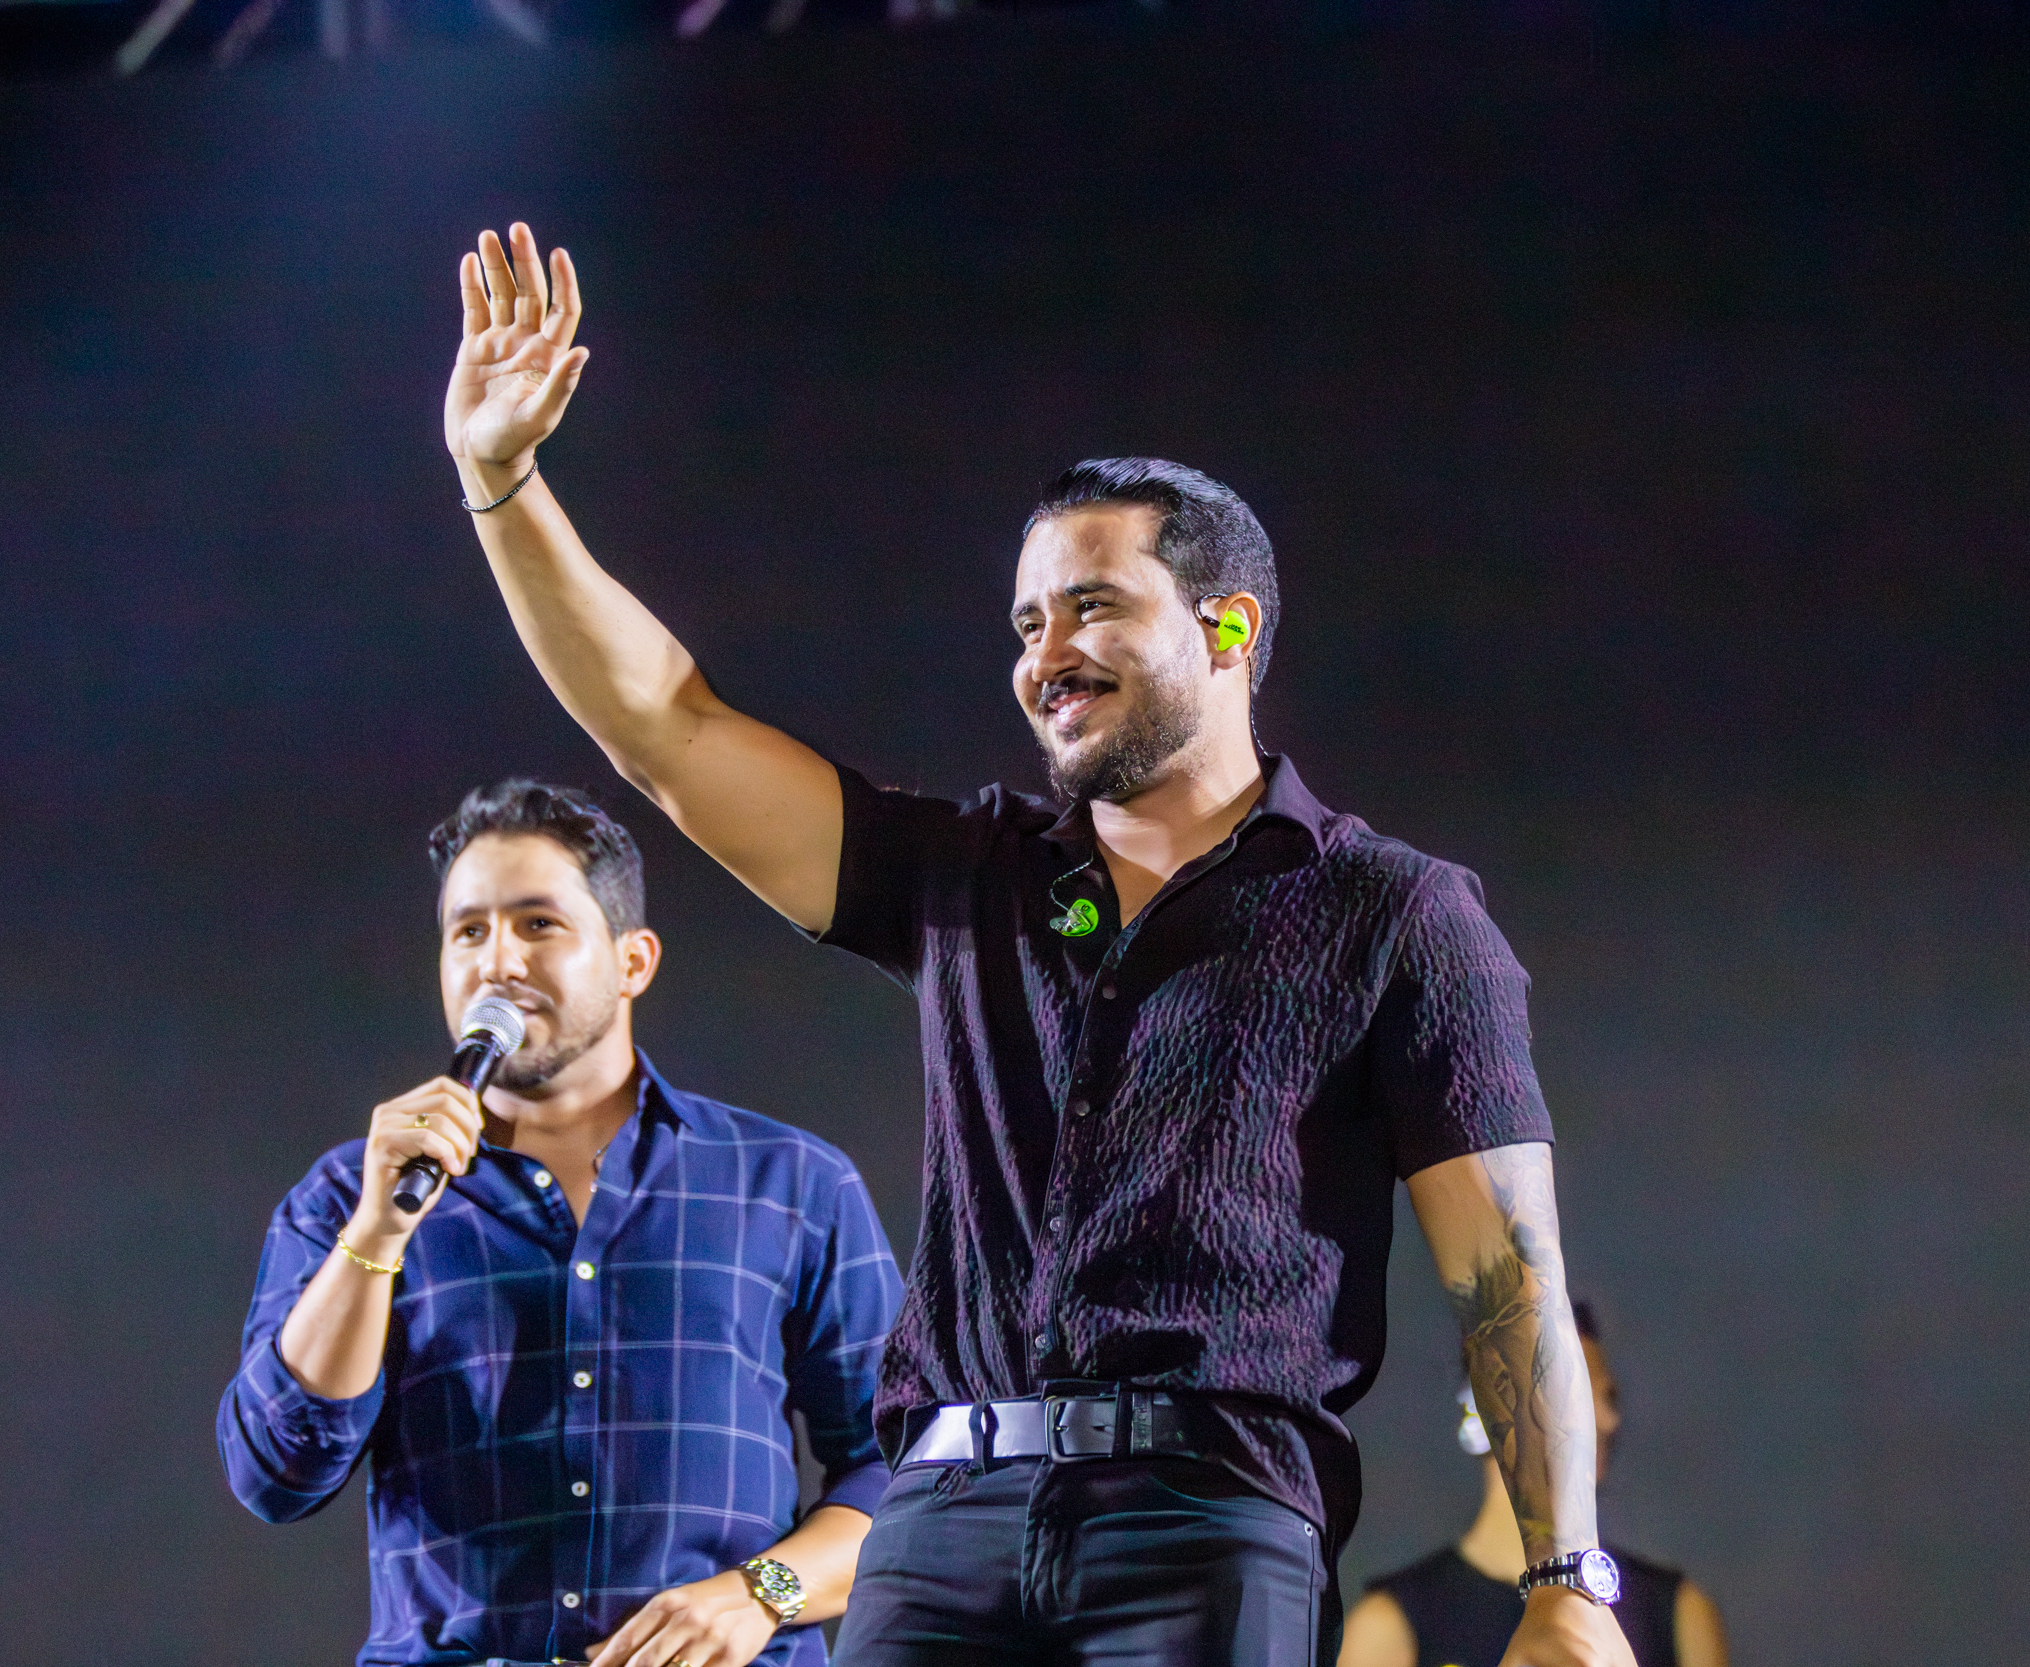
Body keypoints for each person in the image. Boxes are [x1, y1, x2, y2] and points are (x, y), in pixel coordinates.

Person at [438, 221, 1637, 1667]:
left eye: (1092, 606)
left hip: (1208, 1515)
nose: (1042, 650)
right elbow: (667, 730)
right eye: (1023, 620)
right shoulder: (969, 877)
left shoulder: (1397, 912)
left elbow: (1503, 1269)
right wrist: (502, 484)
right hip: (939, 1523)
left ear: (1229, 625)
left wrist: (1567, 1575)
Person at [217, 780, 903, 1667]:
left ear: (633, 962)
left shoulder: (789, 1183)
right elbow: (276, 1473)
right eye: (468, 930)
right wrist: (377, 1235)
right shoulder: (349, 1196)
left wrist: (759, 1594)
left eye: (538, 923)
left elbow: (908, 1471)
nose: (496, 961)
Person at [1341, 1305, 1731, 1667]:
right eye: (1577, 1393)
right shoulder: (1390, 1627)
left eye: (1610, 1398)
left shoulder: (1675, 1613)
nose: (1609, 1420)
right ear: (1496, 1403)